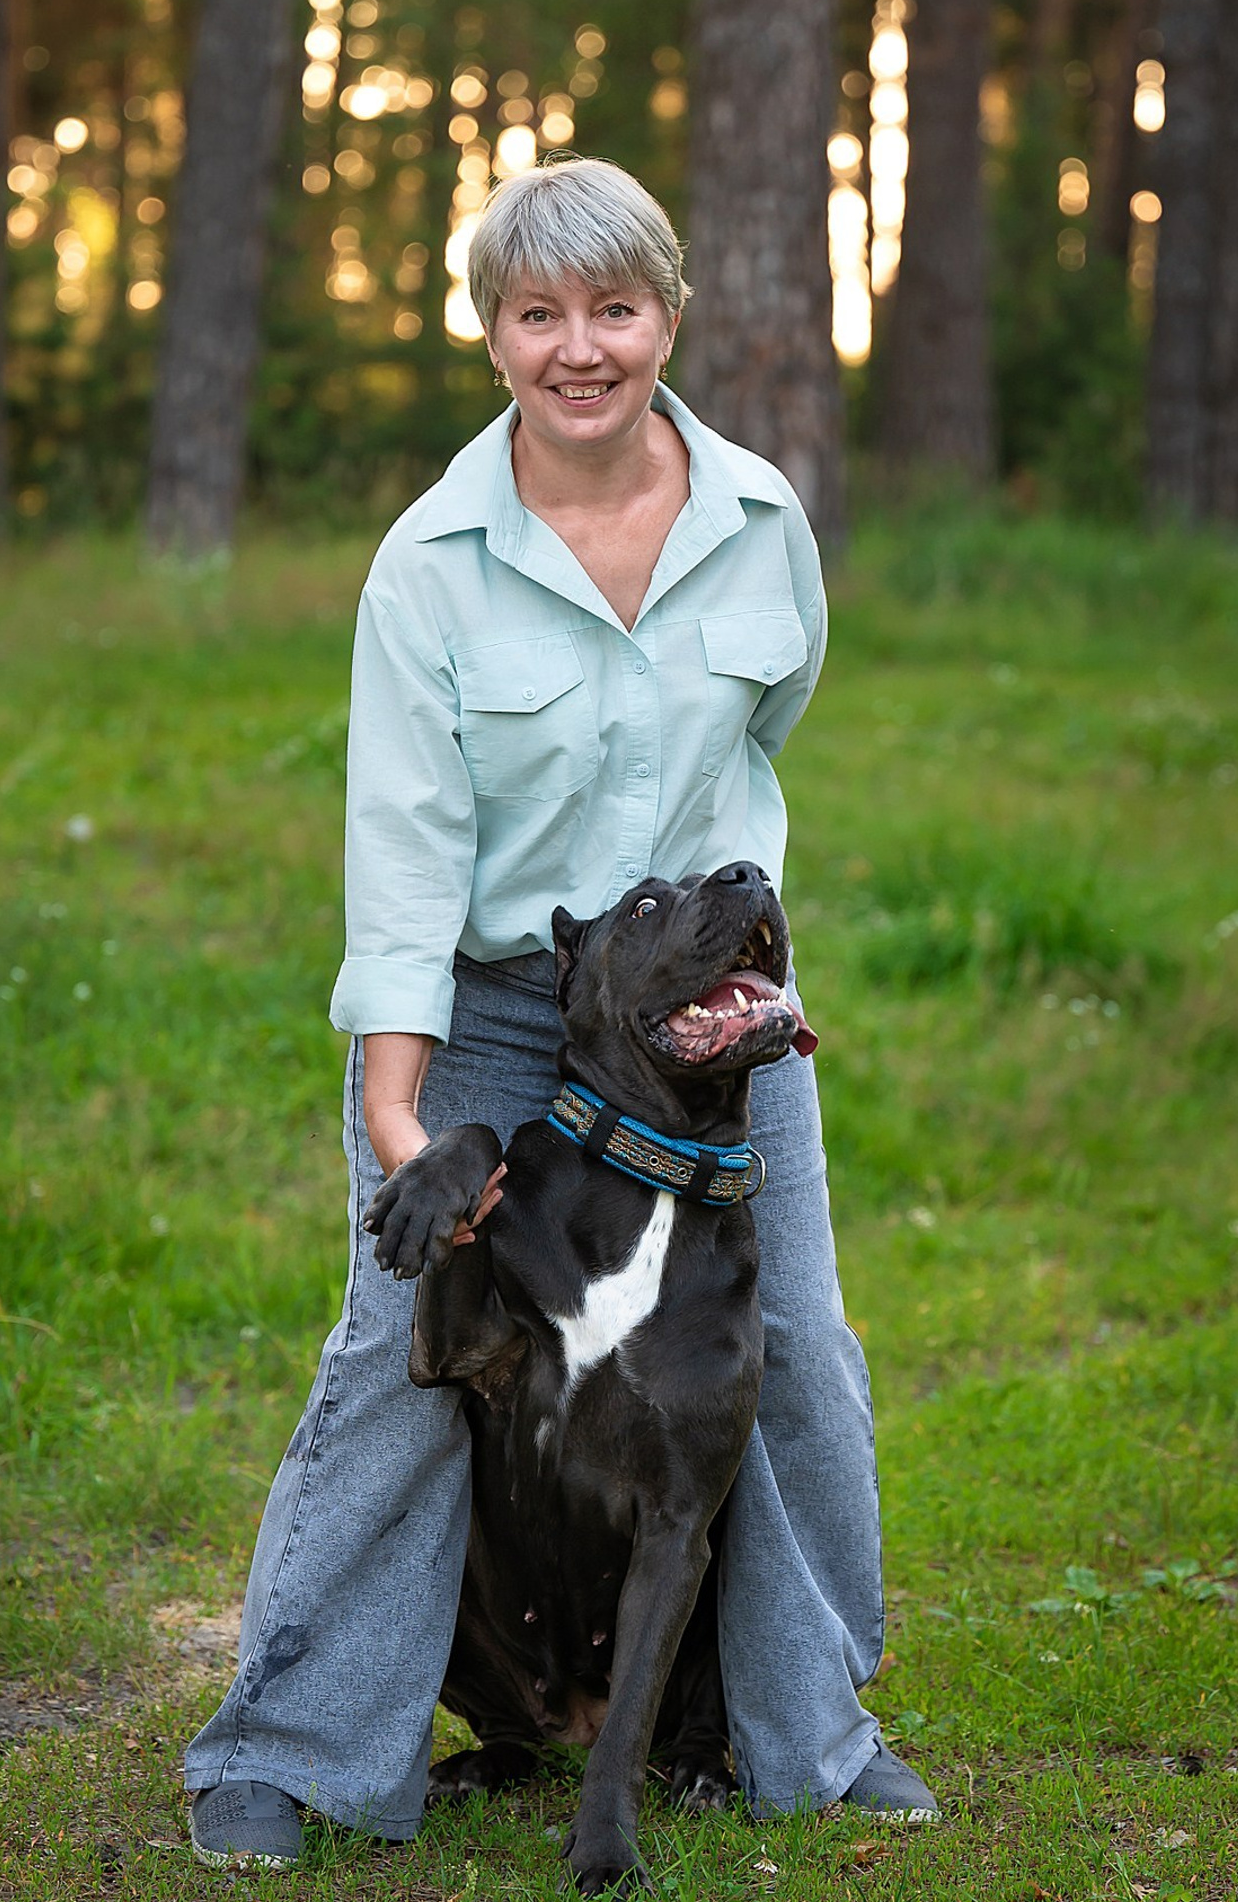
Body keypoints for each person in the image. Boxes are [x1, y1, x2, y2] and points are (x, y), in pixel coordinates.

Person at [182, 157, 940, 1870]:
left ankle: (807, 1734)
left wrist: (721, 976)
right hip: (504, 1020)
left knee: (798, 1352)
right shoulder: (430, 567)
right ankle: (286, 1750)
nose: (579, 349)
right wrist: (400, 1119)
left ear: (668, 315)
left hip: (710, 1008)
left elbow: (768, 727)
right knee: (402, 1356)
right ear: (494, 334)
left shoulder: (760, 523)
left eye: (614, 310)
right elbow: (402, 846)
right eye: (540, 315)